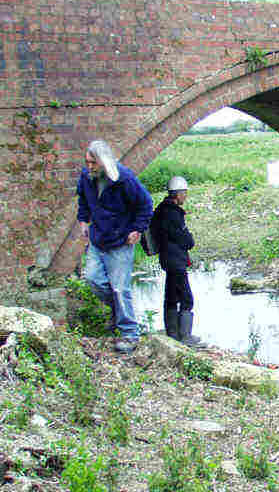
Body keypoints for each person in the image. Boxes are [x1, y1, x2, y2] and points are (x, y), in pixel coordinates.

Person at [77, 139, 153, 354]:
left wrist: (137, 229)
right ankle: (119, 311)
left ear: (104, 161)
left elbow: (145, 204)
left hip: (120, 241)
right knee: (93, 280)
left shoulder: (124, 179)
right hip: (98, 239)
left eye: (94, 163)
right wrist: (83, 220)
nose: (89, 167)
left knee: (120, 289)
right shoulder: (86, 177)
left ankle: (130, 334)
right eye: (87, 162)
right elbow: (82, 200)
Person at [150, 175, 204, 348]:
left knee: (171, 296)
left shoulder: (160, 210)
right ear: (178, 194)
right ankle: (185, 336)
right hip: (176, 260)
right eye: (184, 193)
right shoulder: (173, 213)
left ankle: (172, 333)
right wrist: (190, 240)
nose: (185, 196)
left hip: (166, 258)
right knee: (186, 298)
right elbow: (186, 240)